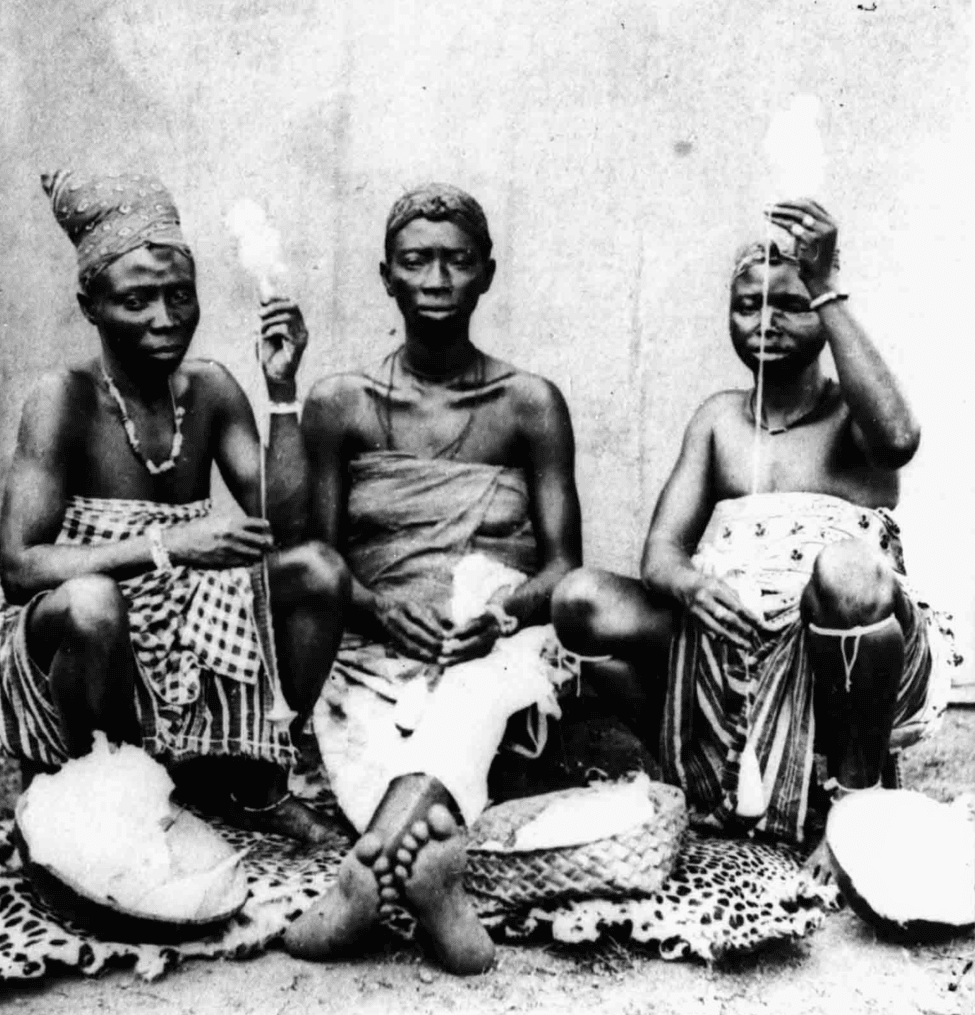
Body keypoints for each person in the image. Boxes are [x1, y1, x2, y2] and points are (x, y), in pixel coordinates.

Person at [0, 171, 349, 840]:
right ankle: (107, 794)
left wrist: (282, 391)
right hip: (82, 628)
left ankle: (254, 786)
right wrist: (169, 547)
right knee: (92, 603)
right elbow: (20, 568)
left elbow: (287, 525)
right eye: (137, 300)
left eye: (179, 297)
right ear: (90, 304)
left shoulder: (213, 389)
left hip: (188, 617)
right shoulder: (63, 400)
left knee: (319, 571)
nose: (165, 320)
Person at [551, 199, 950, 858]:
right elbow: (662, 550)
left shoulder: (852, 417)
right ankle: (701, 777)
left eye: (790, 304)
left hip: (835, 641)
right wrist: (688, 586)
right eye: (747, 305)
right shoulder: (719, 420)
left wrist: (826, 285)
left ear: (823, 311)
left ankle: (856, 803)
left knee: (847, 571)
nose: (765, 322)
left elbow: (902, 437)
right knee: (580, 600)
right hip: (728, 643)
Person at [283, 184, 582, 973]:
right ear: (387, 276)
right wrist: (379, 610)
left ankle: (366, 875)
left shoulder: (530, 404)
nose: (438, 279)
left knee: (478, 695)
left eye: (457, 261)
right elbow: (315, 563)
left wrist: (502, 614)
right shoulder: (341, 403)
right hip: (371, 651)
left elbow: (562, 570)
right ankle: (423, 870)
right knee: (375, 738)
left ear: (487, 273)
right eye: (418, 261)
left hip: (491, 644)